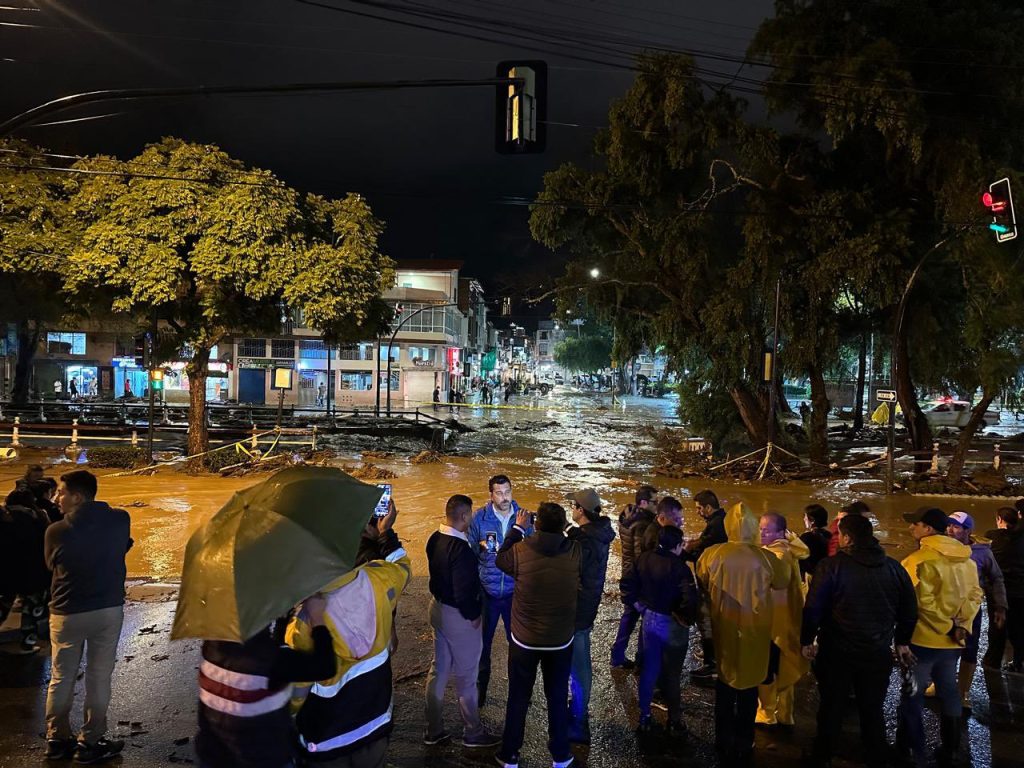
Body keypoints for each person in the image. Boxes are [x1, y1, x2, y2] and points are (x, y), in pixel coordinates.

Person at [287, 500, 411, 767]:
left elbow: (295, 696)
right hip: (376, 725)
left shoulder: (303, 622)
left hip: (327, 742)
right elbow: (403, 566)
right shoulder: (379, 580)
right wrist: (386, 533)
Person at [800, 514, 917, 768]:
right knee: (872, 708)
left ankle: (822, 756)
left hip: (836, 651)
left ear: (847, 538)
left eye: (840, 534)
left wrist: (807, 639)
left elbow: (813, 608)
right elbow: (909, 609)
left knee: (831, 706)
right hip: (876, 652)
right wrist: (902, 642)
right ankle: (875, 756)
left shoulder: (831, 566)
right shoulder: (893, 567)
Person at [43, 470, 133, 763]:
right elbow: (122, 546)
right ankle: (90, 741)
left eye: (61, 492)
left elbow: (50, 565)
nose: (56, 498)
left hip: (67, 612)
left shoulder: (56, 530)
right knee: (99, 676)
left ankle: (57, 738)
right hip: (107, 609)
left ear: (77, 497)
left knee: (61, 676)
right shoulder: (120, 519)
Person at [196, 594, 336, 768]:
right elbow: (325, 667)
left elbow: (266, 655)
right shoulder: (269, 660)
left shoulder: (212, 646)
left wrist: (282, 623)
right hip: (263, 758)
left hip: (215, 753)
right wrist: (317, 619)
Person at [696, 504, 787, 768]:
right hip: (755, 632)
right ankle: (744, 741)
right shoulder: (766, 558)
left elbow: (702, 579)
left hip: (724, 628)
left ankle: (723, 739)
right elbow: (782, 581)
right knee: (749, 690)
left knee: (725, 686)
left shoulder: (712, 554)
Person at [494, 502, 581, 768]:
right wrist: (568, 527)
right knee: (557, 696)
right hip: (559, 641)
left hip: (525, 640)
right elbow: (585, 543)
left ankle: (510, 754)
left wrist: (518, 528)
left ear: (536, 524)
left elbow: (500, 558)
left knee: (519, 696)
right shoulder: (575, 551)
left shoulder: (520, 550)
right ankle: (561, 755)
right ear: (562, 525)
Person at [895, 507, 983, 768]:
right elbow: (975, 595)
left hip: (922, 640)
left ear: (928, 529)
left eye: (916, 524)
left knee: (912, 692)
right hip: (953, 643)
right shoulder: (967, 561)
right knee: (949, 691)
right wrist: (961, 625)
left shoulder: (917, 561)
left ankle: (906, 749)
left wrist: (944, 626)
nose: (911, 528)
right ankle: (951, 749)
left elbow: (918, 602)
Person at [423, 495, 500, 748]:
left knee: (439, 670)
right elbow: (463, 592)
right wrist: (474, 615)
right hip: (458, 616)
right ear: (465, 516)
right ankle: (473, 732)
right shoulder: (461, 551)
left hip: (437, 608)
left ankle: (433, 729)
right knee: (467, 676)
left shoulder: (435, 538)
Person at [623, 525, 698, 736]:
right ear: (678, 545)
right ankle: (674, 720)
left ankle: (645, 716)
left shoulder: (644, 558)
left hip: (650, 620)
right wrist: (685, 618)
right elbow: (690, 599)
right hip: (672, 624)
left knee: (650, 669)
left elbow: (627, 583)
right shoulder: (680, 568)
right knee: (672, 675)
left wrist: (638, 605)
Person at [467, 474, 531, 708]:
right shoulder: (479, 518)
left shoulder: (524, 518)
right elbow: (469, 551)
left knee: (518, 645)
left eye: (507, 492)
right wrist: (479, 549)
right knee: (482, 645)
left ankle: (520, 692)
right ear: (491, 494)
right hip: (488, 592)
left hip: (515, 592)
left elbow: (533, 552)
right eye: (499, 493)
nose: (504, 497)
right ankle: (480, 689)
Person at [564, 488, 615, 744]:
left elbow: (576, 558)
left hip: (579, 610)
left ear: (580, 510)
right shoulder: (597, 533)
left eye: (572, 506)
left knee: (579, 665)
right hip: (586, 605)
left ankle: (579, 719)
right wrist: (568, 529)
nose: (571, 510)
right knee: (577, 662)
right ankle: (577, 710)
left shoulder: (587, 540)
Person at [943, 511, 1007, 712]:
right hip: (944, 609)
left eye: (956, 527)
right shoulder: (941, 547)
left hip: (970, 610)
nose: (950, 530)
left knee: (969, 649)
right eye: (948, 525)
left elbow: (996, 579)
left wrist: (1000, 607)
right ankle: (940, 684)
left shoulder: (982, 553)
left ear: (968, 531)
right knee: (943, 647)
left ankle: (963, 692)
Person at [756, 512, 810, 727]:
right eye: (760, 529)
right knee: (785, 665)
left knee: (768, 668)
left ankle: (766, 712)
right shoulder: (790, 550)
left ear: (781, 533)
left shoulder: (776, 556)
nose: (762, 534)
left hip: (774, 623)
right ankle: (785, 714)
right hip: (789, 620)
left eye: (767, 531)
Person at [611, 485, 658, 670]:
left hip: (629, 574)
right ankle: (641, 660)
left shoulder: (628, 517)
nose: (657, 506)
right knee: (645, 618)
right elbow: (641, 555)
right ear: (644, 503)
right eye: (655, 502)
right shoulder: (643, 524)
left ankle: (617, 655)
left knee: (629, 615)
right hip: (640, 578)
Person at [684, 489, 728, 682]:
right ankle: (714, 655)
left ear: (708, 507)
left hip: (710, 583)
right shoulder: (721, 521)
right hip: (716, 581)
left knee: (707, 622)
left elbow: (704, 549)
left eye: (699, 508)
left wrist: (686, 551)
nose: (697, 512)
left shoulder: (716, 526)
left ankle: (712, 665)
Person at [0, 489, 51, 653]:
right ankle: (27, 644)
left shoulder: (3, 517)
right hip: (34, 572)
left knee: (3, 605)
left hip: (6, 571)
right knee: (32, 611)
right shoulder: (39, 517)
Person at [985, 505, 1024, 671]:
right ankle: (1019, 662)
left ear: (999, 519)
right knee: (1018, 627)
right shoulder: (1020, 538)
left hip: (998, 591)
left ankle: (993, 662)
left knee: (997, 627)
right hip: (1019, 591)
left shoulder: (993, 538)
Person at [799, 504, 833, 581]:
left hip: (811, 576)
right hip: (826, 574)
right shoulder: (829, 535)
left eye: (805, 517)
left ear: (812, 520)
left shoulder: (806, 537)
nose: (804, 519)